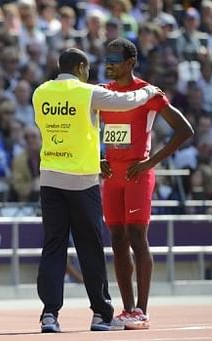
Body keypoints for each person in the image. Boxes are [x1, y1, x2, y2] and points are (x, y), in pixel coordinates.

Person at [32, 47, 163, 333]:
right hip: (81, 180)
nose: (90, 73)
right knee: (89, 247)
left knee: (53, 246)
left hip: (50, 179)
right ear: (80, 67)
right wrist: (150, 91)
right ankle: (101, 315)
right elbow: (126, 101)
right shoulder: (86, 92)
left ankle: (49, 315)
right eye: (87, 69)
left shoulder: (40, 92)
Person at [100, 38, 194, 330]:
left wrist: (151, 162)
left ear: (130, 63)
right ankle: (126, 309)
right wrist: (95, 157)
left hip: (138, 172)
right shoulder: (102, 93)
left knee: (137, 236)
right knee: (116, 240)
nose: (109, 64)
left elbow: (184, 130)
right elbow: (89, 128)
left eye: (115, 59)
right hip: (111, 175)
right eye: (107, 58)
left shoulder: (148, 93)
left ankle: (142, 309)